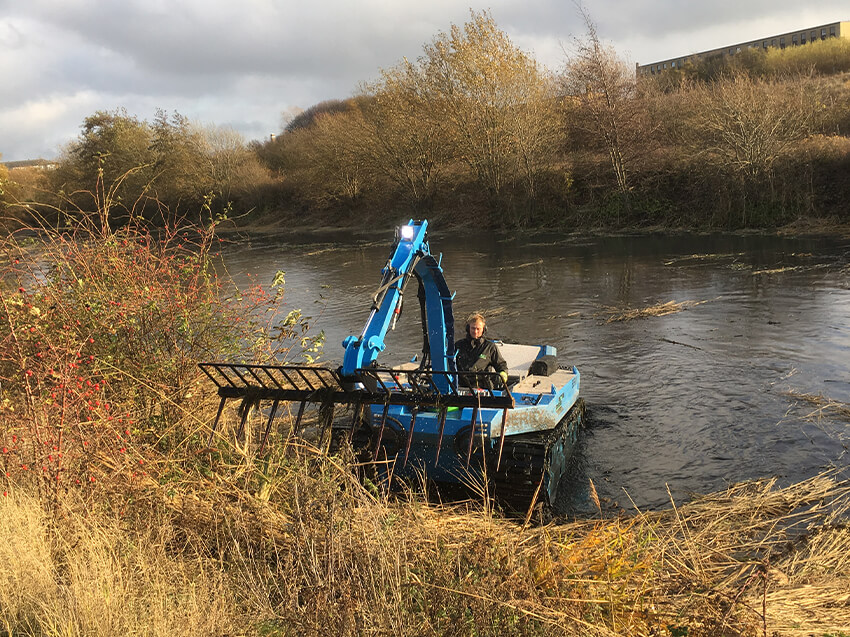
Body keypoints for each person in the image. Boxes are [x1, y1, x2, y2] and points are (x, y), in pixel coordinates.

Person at [455, 312, 509, 387]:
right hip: (461, 387)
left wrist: (503, 375)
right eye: (473, 328)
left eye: (478, 329)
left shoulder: (489, 347)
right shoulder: (459, 345)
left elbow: (501, 365)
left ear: (484, 329)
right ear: (468, 328)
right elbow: (450, 364)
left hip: (484, 388)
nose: (475, 331)